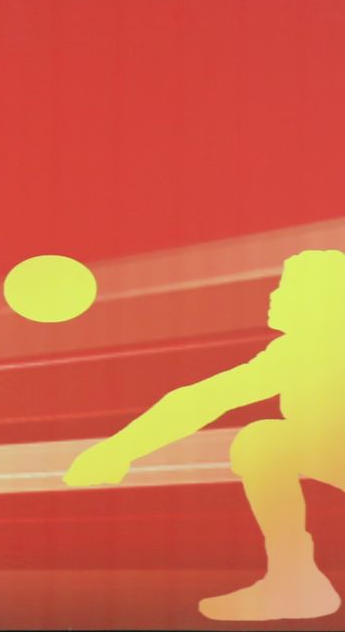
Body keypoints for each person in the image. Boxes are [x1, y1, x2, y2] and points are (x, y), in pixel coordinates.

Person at [65, 248, 345, 622]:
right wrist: (119, 449)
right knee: (265, 443)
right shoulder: (296, 351)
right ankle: (294, 582)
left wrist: (118, 451)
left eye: (287, 288)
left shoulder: (322, 348)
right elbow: (205, 398)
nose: (274, 296)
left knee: (266, 442)